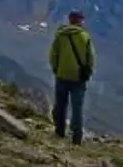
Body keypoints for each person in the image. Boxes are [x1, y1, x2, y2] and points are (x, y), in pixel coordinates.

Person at [48, 10, 95, 145]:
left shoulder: (60, 35)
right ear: (80, 20)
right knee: (77, 107)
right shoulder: (85, 37)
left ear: (69, 20)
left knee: (61, 104)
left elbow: (53, 55)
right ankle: (77, 137)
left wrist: (56, 69)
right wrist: (88, 73)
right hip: (79, 79)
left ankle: (60, 131)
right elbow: (91, 58)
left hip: (61, 76)